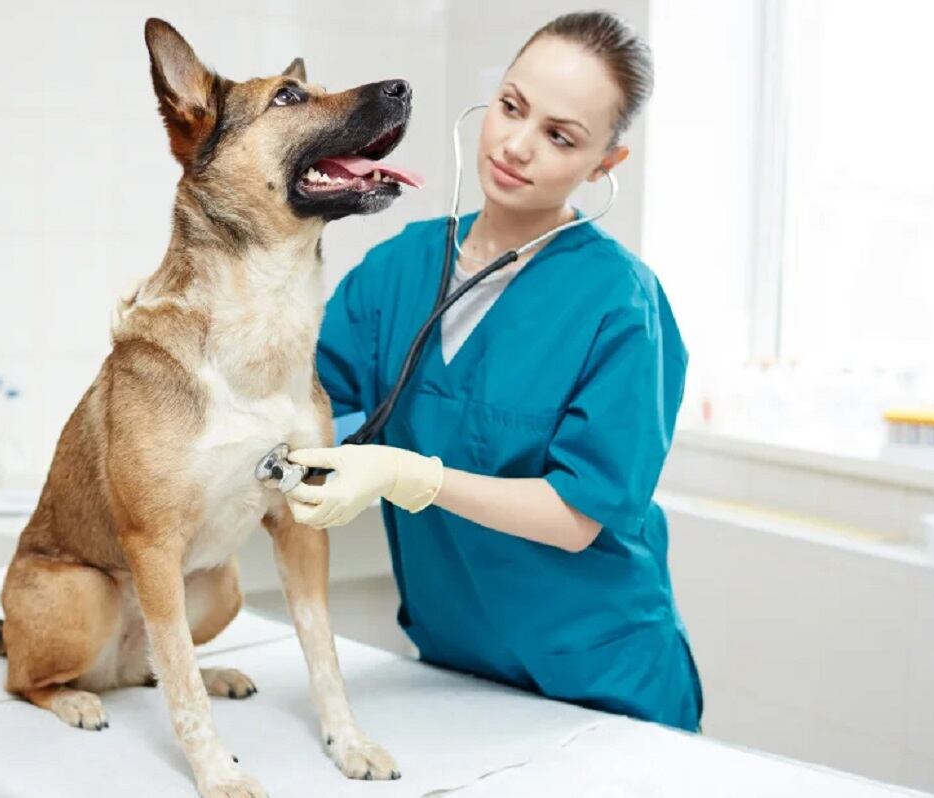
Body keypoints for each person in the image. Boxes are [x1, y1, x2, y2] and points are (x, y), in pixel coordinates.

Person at [284, 10, 703, 731]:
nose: (516, 145)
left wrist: (415, 478)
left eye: (560, 136)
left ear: (605, 163)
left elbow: (579, 515)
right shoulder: (398, 271)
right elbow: (306, 404)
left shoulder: (621, 305)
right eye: (511, 106)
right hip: (458, 673)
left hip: (601, 685)